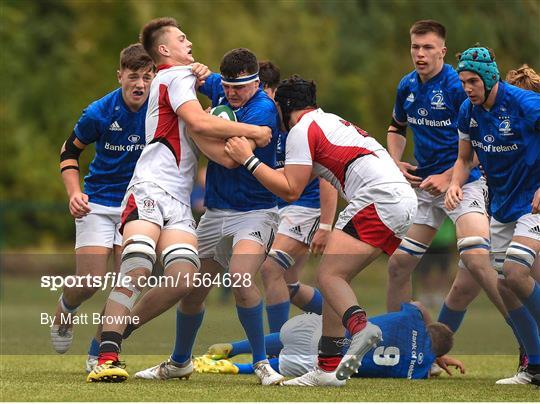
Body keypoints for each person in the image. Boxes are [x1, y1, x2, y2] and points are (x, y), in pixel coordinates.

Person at [87, 18, 271, 383]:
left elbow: (207, 137)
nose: (189, 41)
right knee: (137, 264)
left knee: (185, 279)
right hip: (150, 187)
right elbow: (199, 123)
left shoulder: (181, 77)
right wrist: (255, 131)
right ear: (164, 50)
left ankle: (112, 336)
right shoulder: (174, 77)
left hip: (178, 200)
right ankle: (107, 356)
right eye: (181, 37)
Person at [224, 75, 418, 386]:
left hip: (379, 198)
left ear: (285, 106)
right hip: (400, 200)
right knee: (333, 281)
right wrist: (250, 166)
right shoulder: (325, 120)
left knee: (329, 276)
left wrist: (246, 160)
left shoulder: (301, 129)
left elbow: (290, 189)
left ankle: (360, 327)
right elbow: (292, 175)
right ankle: (328, 370)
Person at [132, 48, 285, 385]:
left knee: (242, 279)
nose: (230, 93)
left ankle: (262, 363)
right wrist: (196, 69)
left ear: (256, 83)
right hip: (216, 211)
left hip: (255, 212)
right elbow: (196, 77)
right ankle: (180, 362)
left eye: (239, 88)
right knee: (193, 290)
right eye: (228, 87)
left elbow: (230, 158)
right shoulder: (219, 86)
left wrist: (194, 122)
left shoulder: (263, 110)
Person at [385, 19, 509, 338]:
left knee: (477, 260)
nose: (420, 54)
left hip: (465, 183)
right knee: (398, 266)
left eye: (428, 47)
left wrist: (447, 176)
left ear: (443, 51)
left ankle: (529, 342)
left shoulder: (458, 87)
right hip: (426, 189)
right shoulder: (407, 86)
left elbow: (484, 140)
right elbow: (397, 128)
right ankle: (403, 348)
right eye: (415, 47)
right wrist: (395, 162)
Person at [52, 44, 154, 372]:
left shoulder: (160, 108)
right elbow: (69, 152)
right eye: (134, 76)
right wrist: (73, 193)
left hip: (136, 205)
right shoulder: (99, 112)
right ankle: (66, 307)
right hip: (97, 202)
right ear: (120, 75)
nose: (140, 84)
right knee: (91, 280)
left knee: (127, 281)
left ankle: (99, 350)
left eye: (147, 77)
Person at [446, 46, 540, 385]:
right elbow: (463, 159)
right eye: (463, 82)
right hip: (501, 205)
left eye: (473, 81)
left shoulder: (524, 104)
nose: (467, 88)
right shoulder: (467, 112)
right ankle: (534, 368)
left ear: (489, 78)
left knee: (515, 271)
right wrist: (455, 184)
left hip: (533, 201)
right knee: (505, 286)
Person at [257, 61, 337, 332]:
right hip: (278, 207)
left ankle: (278, 350)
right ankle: (349, 324)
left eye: (260, 91)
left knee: (270, 270)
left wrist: (326, 225)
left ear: (271, 91)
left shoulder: (299, 124)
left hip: (305, 207)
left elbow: (328, 178)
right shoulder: (265, 122)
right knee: (288, 285)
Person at [194, 300, 464, 380]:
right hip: (328, 361)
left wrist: (428, 330)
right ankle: (236, 369)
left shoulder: (414, 319)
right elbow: (428, 360)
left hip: (332, 335)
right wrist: (434, 355)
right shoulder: (420, 370)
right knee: (284, 366)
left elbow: (416, 304)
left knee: (285, 338)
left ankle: (234, 349)